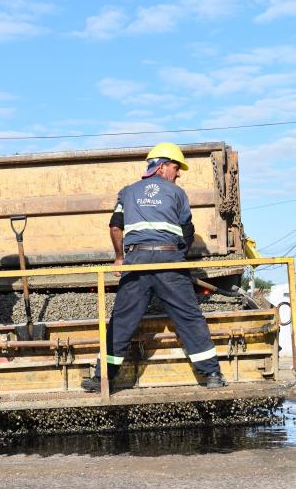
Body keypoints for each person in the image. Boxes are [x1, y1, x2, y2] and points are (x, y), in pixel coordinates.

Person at [82, 142, 228, 393]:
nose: (178, 173)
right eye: (175, 167)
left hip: (136, 262)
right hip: (168, 261)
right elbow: (187, 232)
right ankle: (212, 374)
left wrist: (119, 258)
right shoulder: (177, 193)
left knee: (122, 320)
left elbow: (115, 226)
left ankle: (102, 378)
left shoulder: (127, 192)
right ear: (161, 167)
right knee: (189, 318)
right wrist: (178, 255)